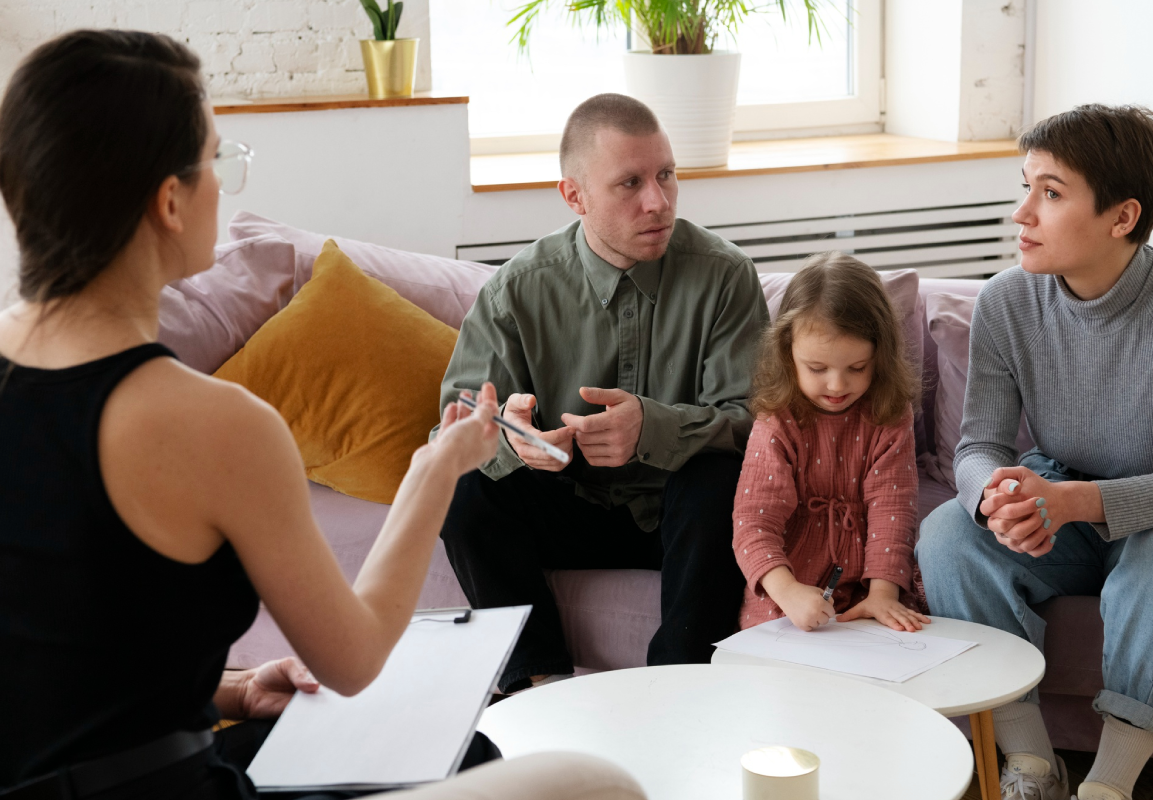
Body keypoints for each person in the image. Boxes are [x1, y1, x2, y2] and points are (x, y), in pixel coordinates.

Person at [0, 30, 643, 800]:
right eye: (215, 159)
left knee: (464, 752)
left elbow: (55, 650)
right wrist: (436, 467)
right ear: (168, 201)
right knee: (590, 782)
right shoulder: (217, 423)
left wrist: (227, 692)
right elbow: (354, 657)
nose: (223, 183)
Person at [437, 93, 769, 694]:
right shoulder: (517, 291)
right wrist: (511, 438)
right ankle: (536, 683)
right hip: (568, 507)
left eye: (666, 175)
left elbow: (756, 425)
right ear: (574, 196)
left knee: (720, 477)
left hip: (682, 516)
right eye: (630, 183)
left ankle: (682, 689)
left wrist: (653, 427)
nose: (658, 202)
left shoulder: (725, 276)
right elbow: (450, 433)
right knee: (465, 488)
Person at [916, 104, 1153, 800]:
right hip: (1058, 493)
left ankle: (1109, 785)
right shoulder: (1008, 301)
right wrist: (996, 496)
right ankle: (1033, 767)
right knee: (949, 532)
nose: (1022, 213)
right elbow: (979, 444)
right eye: (1025, 186)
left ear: (1121, 217)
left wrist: (1071, 502)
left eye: (1050, 191)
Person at [731, 253, 928, 634]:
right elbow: (754, 522)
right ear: (788, 353)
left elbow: (893, 507)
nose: (837, 386)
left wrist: (883, 593)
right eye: (817, 369)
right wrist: (786, 591)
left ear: (880, 356)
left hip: (866, 591)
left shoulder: (888, 414)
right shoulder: (778, 419)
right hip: (786, 594)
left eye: (857, 368)